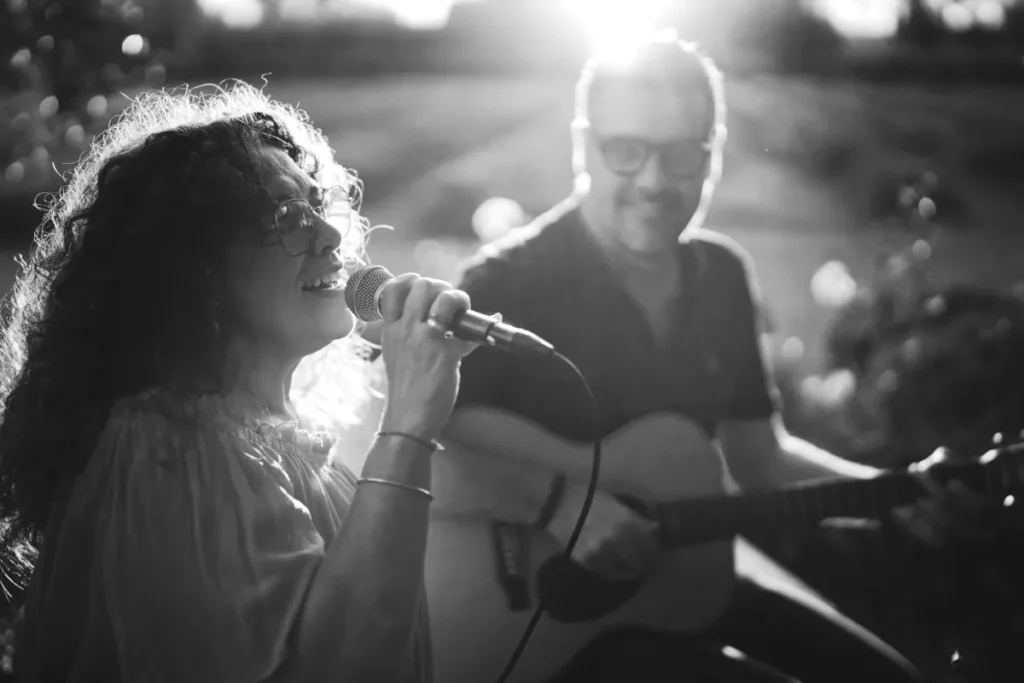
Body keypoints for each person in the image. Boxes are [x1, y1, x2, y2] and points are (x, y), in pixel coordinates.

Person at [428, 35, 928, 682]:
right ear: (582, 146)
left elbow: (759, 457)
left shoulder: (720, 274)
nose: (655, 181)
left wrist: (897, 492)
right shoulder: (504, 283)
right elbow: (409, 453)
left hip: (679, 587)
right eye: (625, 150)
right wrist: (556, 505)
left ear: (712, 155)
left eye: (684, 154)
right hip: (539, 634)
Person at [0, 82, 478, 683]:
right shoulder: (170, 450)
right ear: (196, 269)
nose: (331, 237)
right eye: (286, 217)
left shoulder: (274, 445)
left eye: (318, 207)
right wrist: (409, 426)